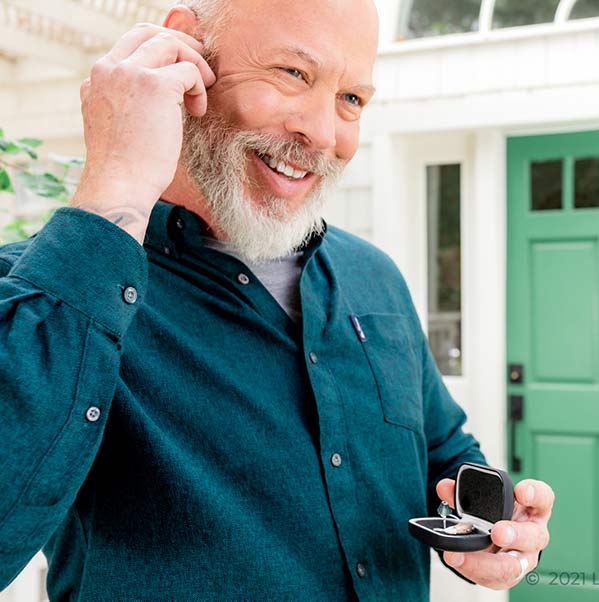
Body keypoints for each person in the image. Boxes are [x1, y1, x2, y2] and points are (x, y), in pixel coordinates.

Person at [0, 0, 553, 598]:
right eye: (294, 73)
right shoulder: (51, 293)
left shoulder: (374, 276)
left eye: (352, 100)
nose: (322, 132)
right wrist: (117, 183)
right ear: (187, 48)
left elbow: (443, 455)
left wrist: (492, 531)